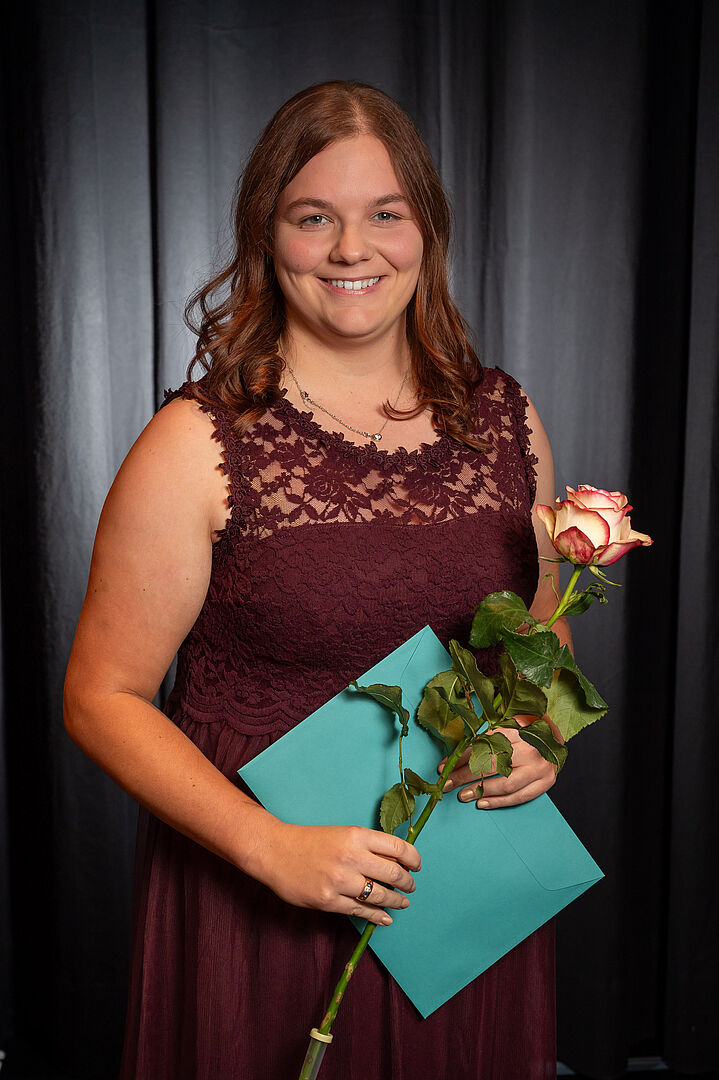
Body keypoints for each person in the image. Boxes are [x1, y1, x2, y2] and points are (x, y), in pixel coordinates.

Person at [64, 81, 570, 1079]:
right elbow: (99, 697)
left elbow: (542, 626)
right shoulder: (194, 444)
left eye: (384, 214)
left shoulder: (503, 419)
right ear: (268, 235)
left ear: (426, 230)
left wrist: (536, 733)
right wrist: (269, 849)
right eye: (313, 218)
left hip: (460, 881)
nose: (350, 249)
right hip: (264, 899)